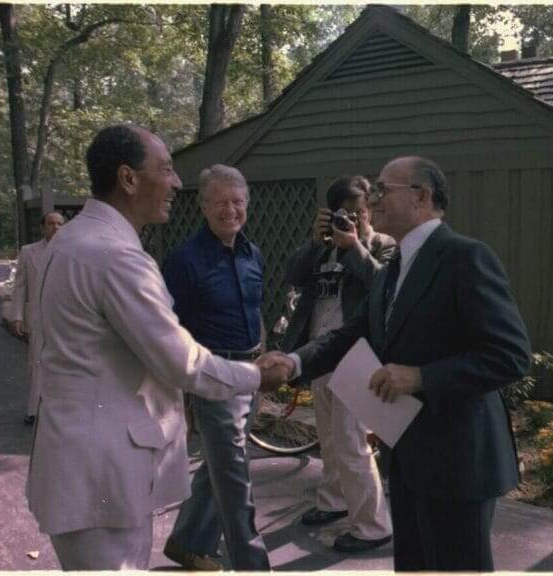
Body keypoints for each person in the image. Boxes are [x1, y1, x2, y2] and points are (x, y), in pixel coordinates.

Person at [25, 124, 287, 571]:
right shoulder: (117, 256)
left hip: (81, 464)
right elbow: (181, 361)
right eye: (165, 169)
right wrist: (257, 375)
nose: (176, 182)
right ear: (128, 179)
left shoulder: (72, 239)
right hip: (105, 476)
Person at [261, 156, 531, 571]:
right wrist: (293, 362)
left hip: (459, 461)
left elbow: (510, 355)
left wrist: (422, 377)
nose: (373, 199)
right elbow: (351, 335)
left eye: (383, 189)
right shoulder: (393, 269)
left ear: (421, 196)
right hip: (407, 456)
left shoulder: (465, 257)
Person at [160, 165, 270, 571]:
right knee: (235, 478)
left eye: (237, 201)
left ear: (247, 205)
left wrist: (262, 369)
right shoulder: (184, 261)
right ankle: (252, 567)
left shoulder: (253, 254)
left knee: (221, 465)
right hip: (212, 380)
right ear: (203, 207)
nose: (230, 210)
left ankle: (188, 541)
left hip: (250, 374)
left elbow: (255, 313)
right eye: (220, 202)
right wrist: (183, 398)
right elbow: (170, 334)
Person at [281, 175, 395, 553]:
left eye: (360, 212)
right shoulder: (322, 247)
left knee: (351, 442)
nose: (355, 220)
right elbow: (292, 276)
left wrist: (355, 247)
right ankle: (334, 500)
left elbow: (385, 287)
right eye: (345, 214)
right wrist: (316, 243)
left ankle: (372, 525)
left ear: (369, 211)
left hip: (357, 356)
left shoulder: (382, 245)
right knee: (328, 438)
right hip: (321, 352)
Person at [10, 210, 65, 425]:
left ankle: (60, 410)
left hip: (64, 318)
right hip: (37, 318)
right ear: (43, 227)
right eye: (51, 224)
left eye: (60, 224)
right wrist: (17, 316)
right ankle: (33, 410)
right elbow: (20, 287)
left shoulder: (71, 251)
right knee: (37, 362)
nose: (56, 228)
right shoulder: (29, 252)